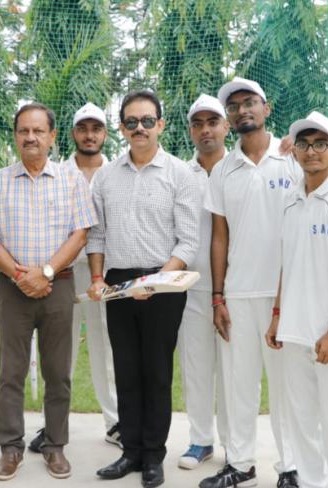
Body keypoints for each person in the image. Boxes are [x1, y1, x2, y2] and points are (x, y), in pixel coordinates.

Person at [0, 102, 97, 481]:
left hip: (58, 286)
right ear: (15, 136)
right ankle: (10, 448)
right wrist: (19, 275)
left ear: (52, 136)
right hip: (13, 289)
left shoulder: (71, 180)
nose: (31, 137)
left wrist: (46, 272)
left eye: (38, 131)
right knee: (10, 372)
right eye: (24, 130)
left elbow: (80, 234)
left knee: (58, 372)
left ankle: (55, 446)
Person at [89, 90, 200, 488]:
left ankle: (153, 456)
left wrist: (154, 282)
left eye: (147, 121)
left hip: (163, 284)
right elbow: (97, 235)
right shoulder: (105, 177)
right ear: (121, 128)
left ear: (161, 125)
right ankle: (130, 452)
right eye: (132, 122)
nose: (140, 128)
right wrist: (97, 279)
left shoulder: (179, 174)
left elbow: (188, 241)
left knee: (156, 372)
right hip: (118, 284)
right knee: (126, 370)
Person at [199, 77, 300, 488]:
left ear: (266, 108)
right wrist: (217, 297)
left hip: (285, 295)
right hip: (237, 293)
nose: (242, 110)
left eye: (250, 102)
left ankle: (291, 468)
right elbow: (219, 237)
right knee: (238, 386)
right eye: (234, 106)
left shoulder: (293, 158)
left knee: (286, 389)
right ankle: (240, 465)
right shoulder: (223, 170)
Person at [28, 102, 120, 454]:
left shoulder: (117, 173)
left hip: (105, 273)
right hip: (63, 271)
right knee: (58, 350)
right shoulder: (58, 173)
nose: (89, 135)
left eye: (96, 129)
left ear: (105, 134)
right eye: (83, 128)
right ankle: (52, 424)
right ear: (72, 134)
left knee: (107, 346)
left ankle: (116, 423)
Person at [266, 111, 328, 488]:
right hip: (295, 331)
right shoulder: (290, 198)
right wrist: (277, 315)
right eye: (304, 144)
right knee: (302, 426)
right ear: (295, 151)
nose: (311, 151)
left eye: (320, 144)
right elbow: (289, 262)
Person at [177, 94, 230, 470]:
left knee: (233, 369)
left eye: (213, 122)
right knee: (196, 366)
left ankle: (234, 444)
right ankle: (200, 441)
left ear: (226, 126)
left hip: (234, 288)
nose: (205, 130)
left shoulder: (240, 168)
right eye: (198, 124)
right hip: (192, 287)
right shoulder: (181, 174)